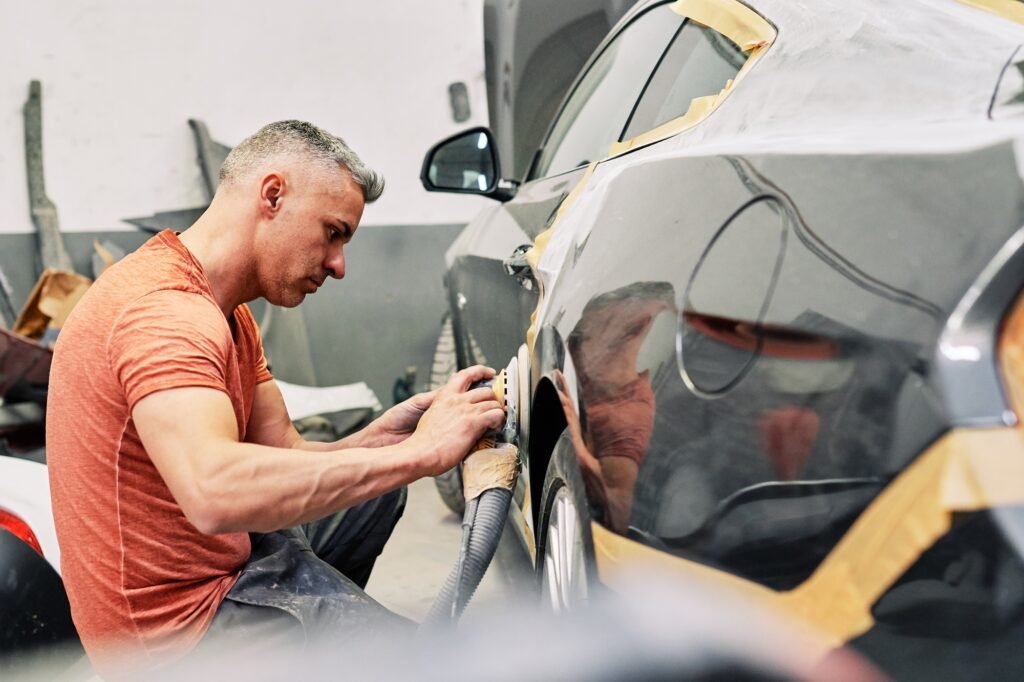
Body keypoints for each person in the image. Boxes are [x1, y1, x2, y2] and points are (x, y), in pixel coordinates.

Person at [46, 120, 504, 678]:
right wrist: (420, 455)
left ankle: (315, 636)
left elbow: (282, 449)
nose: (340, 264)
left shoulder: (230, 310)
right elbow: (213, 491)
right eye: (333, 233)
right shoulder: (167, 313)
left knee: (376, 493)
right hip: (172, 632)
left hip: (222, 559)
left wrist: (384, 438)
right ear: (272, 195)